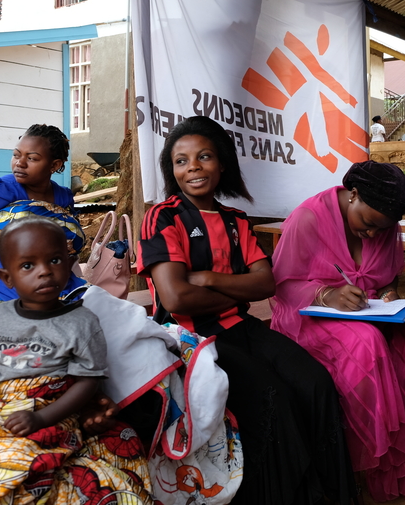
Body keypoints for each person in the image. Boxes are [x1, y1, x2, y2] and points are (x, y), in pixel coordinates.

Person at [137, 116, 356, 505]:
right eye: (181, 161)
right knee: (274, 399)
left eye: (204, 157)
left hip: (241, 325)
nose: (193, 168)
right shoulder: (163, 216)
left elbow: (266, 284)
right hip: (191, 339)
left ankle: (333, 494)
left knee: (316, 383)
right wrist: (237, 292)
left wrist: (208, 279)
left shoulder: (236, 221)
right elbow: (176, 300)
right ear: (172, 170)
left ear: (222, 163)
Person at [271, 161, 405, 502]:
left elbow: (388, 277)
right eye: (369, 224)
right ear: (353, 194)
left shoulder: (384, 225)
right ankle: (369, 461)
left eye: (383, 228)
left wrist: (390, 295)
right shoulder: (308, 218)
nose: (375, 234)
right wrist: (328, 294)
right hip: (310, 317)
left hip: (369, 313)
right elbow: (282, 284)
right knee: (366, 344)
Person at [0, 218, 153, 504]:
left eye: (55, 260)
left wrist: (41, 418)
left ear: (69, 264)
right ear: (7, 278)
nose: (45, 271)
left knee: (19, 458)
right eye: (28, 265)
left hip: (46, 406)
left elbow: (88, 381)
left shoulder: (82, 322)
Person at [0, 123, 85, 304]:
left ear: (54, 165)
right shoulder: (2, 189)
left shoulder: (63, 197)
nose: (19, 163)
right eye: (16, 155)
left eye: (32, 158)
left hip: (44, 269)